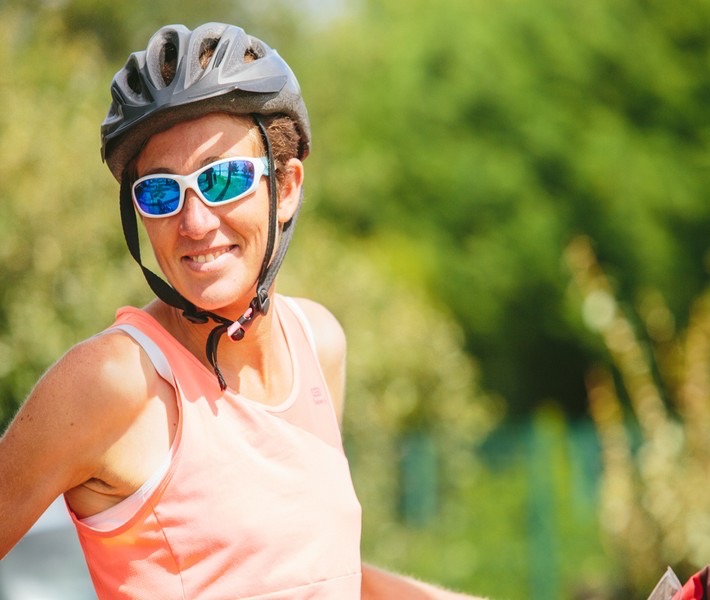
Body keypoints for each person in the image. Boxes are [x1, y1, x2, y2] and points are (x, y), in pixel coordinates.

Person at [0, 22, 478, 599]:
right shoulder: (114, 382)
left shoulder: (317, 341)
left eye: (223, 178)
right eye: (159, 192)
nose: (195, 222)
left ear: (289, 186)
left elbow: (313, 571)